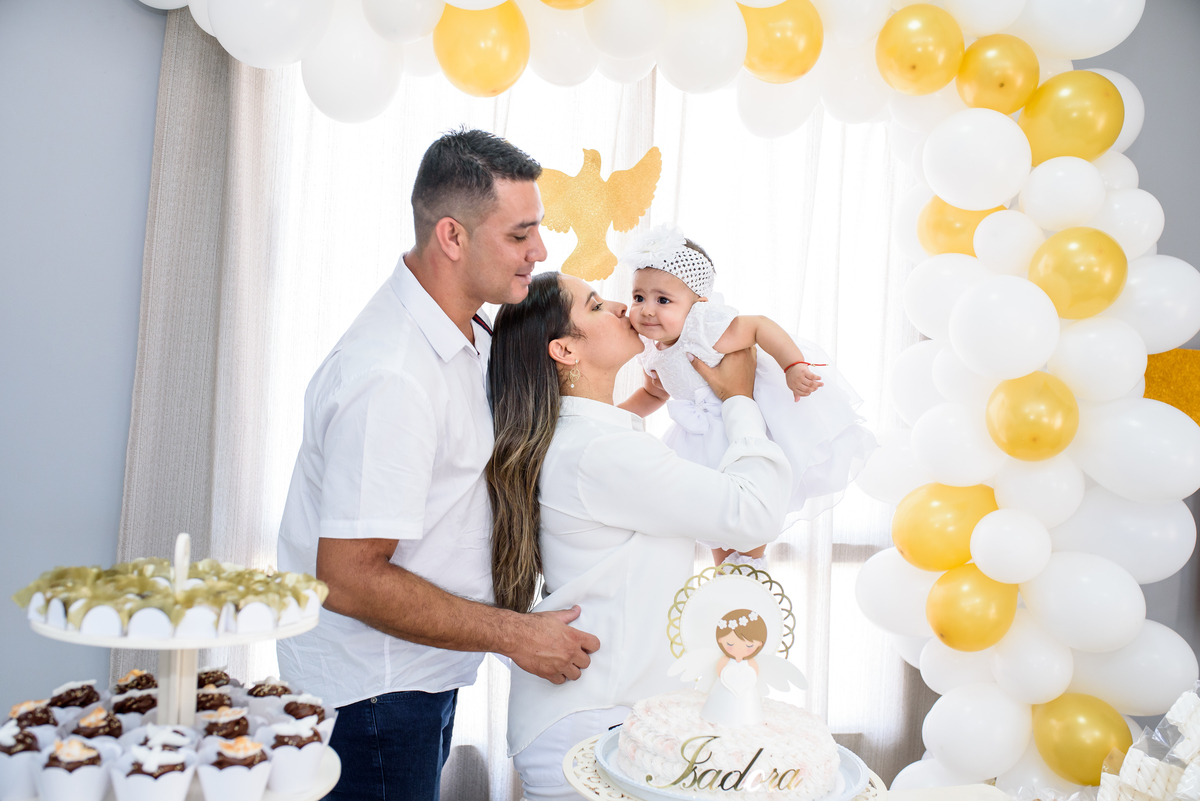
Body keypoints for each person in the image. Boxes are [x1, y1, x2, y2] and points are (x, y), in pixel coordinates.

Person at [275, 130, 600, 801]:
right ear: (452, 236)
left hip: (415, 681)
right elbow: (349, 578)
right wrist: (517, 635)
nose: (540, 251)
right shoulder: (391, 377)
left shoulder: (464, 329)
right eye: (520, 235)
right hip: (373, 699)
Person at [486, 271, 794, 800]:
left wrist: (653, 399)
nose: (620, 307)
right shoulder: (600, 451)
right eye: (595, 305)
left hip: (595, 712)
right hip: (595, 722)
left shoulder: (582, 438)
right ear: (565, 350)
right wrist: (739, 400)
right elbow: (754, 512)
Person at [620, 225, 877, 568]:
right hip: (698, 443)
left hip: (737, 432)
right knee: (716, 528)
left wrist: (792, 365)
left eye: (662, 300)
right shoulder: (652, 350)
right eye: (638, 298)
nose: (647, 310)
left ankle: (749, 577)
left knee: (747, 523)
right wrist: (611, 416)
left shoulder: (702, 329)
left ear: (698, 305)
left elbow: (759, 326)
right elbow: (653, 393)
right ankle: (727, 581)